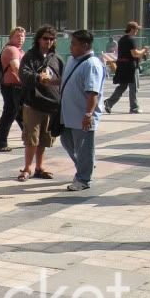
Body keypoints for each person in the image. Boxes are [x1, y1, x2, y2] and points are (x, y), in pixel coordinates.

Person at [59, 29, 106, 192]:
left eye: (74, 44)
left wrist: (88, 114)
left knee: (84, 147)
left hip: (82, 116)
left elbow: (93, 92)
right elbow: (65, 79)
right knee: (66, 142)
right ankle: (85, 166)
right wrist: (50, 81)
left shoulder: (92, 64)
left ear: (85, 45)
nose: (71, 47)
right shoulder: (72, 60)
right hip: (68, 115)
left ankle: (84, 178)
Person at [16, 25, 63, 182]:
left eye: (51, 39)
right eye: (45, 38)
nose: (48, 42)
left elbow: (63, 78)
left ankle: (39, 167)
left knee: (44, 139)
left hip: (50, 105)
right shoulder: (30, 56)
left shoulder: (56, 58)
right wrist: (38, 77)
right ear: (38, 39)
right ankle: (27, 168)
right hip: (33, 104)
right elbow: (23, 74)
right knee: (31, 139)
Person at [104, 22, 150, 114]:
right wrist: (144, 50)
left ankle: (109, 102)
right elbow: (135, 54)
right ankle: (134, 108)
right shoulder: (131, 40)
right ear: (132, 29)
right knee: (134, 87)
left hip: (122, 66)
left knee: (122, 86)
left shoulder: (121, 40)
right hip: (130, 67)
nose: (137, 31)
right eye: (137, 29)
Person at [0, 26, 25, 152]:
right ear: (11, 37)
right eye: (17, 36)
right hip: (12, 87)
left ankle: (30, 138)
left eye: (22, 36)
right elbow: (16, 68)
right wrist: (26, 81)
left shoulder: (17, 50)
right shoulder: (12, 50)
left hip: (13, 87)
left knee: (19, 113)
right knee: (10, 114)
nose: (21, 38)